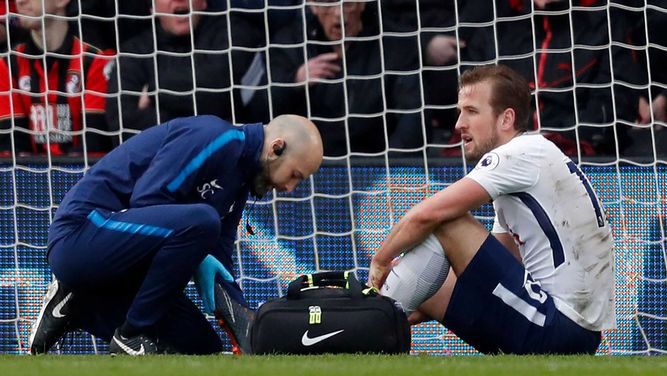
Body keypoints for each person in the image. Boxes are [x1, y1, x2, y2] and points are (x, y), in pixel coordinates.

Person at [369, 64, 616, 354]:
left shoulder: (516, 155)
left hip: (558, 327)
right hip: (569, 332)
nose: (459, 123)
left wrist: (381, 260)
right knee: (425, 278)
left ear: (506, 119)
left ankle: (370, 326)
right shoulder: (531, 160)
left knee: (450, 223)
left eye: (471, 111)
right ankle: (376, 324)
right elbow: (498, 263)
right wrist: (419, 299)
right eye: (460, 111)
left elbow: (429, 215)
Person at [28, 114, 323, 355]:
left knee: (202, 347)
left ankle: (77, 303)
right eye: (295, 175)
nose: (289, 189)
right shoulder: (218, 138)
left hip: (119, 266)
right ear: (277, 147)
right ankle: (130, 335)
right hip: (81, 237)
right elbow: (147, 201)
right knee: (203, 221)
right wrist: (197, 248)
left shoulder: (241, 183)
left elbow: (219, 256)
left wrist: (243, 324)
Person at [268, 0, 421, 156]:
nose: (338, 13)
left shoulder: (396, 46)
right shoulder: (290, 44)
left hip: (377, 163)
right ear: (312, 6)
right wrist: (294, 80)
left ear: (362, 4)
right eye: (328, 4)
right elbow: (262, 111)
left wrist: (386, 168)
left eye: (347, 4)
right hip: (308, 165)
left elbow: (414, 119)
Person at [106, 0, 262, 141]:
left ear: (203, 3)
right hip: (158, 161)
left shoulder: (233, 33)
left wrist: (155, 91)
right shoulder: (134, 52)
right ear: (152, 6)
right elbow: (121, 123)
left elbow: (220, 94)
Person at [0, 0, 115, 156]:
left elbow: (94, 144)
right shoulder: (8, 64)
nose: (20, 1)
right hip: (28, 177)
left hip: (84, 175)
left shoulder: (96, 60)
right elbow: (12, 145)